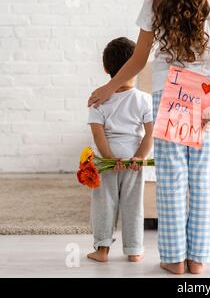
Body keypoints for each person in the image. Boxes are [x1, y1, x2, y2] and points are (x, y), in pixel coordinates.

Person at [87, 0, 210, 274]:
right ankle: (198, 260)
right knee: (203, 180)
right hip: (203, 93)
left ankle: (174, 259)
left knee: (172, 179)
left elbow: (139, 58)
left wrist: (109, 86)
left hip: (169, 91)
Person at [87, 37, 154, 263]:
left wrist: (108, 157)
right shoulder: (145, 100)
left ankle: (102, 250)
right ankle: (134, 250)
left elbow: (98, 134)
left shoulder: (98, 100)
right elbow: (150, 133)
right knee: (133, 204)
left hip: (108, 162)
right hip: (133, 159)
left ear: (106, 68)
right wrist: (140, 157)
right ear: (138, 66)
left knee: (104, 203)